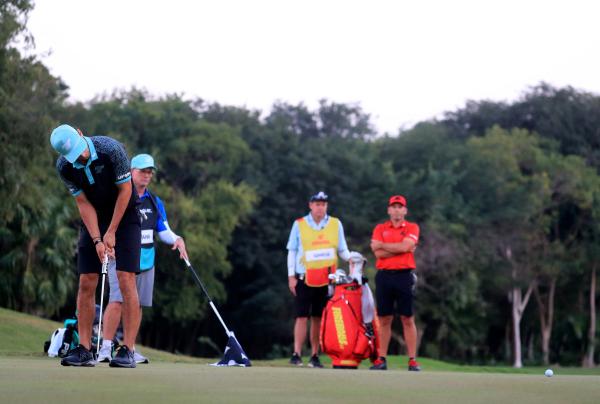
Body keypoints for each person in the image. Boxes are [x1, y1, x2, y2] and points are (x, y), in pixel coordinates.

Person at [50, 124, 141, 368]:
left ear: (80, 133)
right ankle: (85, 350)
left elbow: (125, 191)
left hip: (126, 216)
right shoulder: (64, 166)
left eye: (80, 150)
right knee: (86, 281)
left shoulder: (110, 149)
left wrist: (111, 231)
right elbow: (82, 202)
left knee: (125, 277)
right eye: (73, 155)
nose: (80, 157)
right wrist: (98, 240)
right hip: (94, 219)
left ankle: (128, 350)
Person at [97, 154, 188, 364]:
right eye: (142, 171)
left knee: (136, 304)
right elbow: (105, 224)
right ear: (131, 171)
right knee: (117, 300)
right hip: (119, 256)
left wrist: (177, 239)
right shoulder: (119, 196)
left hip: (146, 259)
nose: (147, 175)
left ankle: (129, 348)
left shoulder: (155, 202)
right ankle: (106, 348)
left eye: (150, 172)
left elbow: (163, 230)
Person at [286, 191, 351, 367]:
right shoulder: (299, 224)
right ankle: (296, 353)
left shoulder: (335, 224)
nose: (320, 207)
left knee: (318, 318)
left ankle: (314, 354)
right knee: (301, 317)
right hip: (303, 277)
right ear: (310, 205)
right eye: (317, 204)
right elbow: (292, 251)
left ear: (326, 206)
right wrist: (291, 276)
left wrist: (353, 258)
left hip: (326, 279)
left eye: (323, 204)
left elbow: (342, 250)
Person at [369, 195, 421, 371]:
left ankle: (412, 360)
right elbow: (378, 254)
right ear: (389, 210)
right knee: (384, 319)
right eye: (394, 207)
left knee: (407, 318)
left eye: (400, 207)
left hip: (404, 276)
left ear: (405, 210)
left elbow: (405, 247)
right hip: (384, 276)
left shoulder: (412, 227)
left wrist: (383, 245)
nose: (397, 210)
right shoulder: (380, 228)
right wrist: (401, 248)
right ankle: (381, 359)